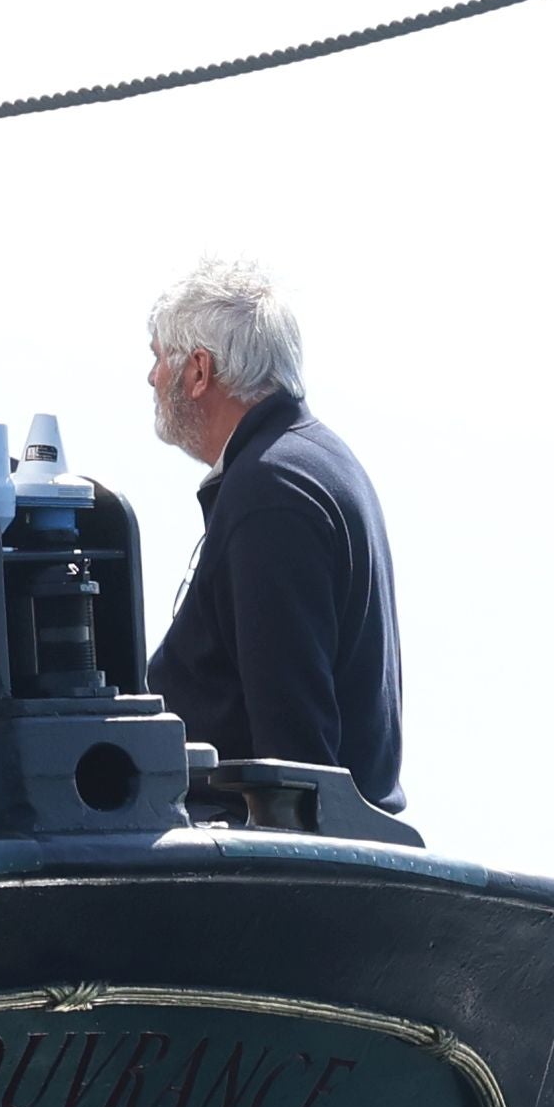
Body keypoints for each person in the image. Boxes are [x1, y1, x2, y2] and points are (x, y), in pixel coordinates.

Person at [142, 259, 405, 812]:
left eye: (158, 357)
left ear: (198, 371)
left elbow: (294, 756)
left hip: (282, 850)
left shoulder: (271, 491)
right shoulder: (311, 461)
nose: (152, 378)